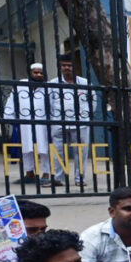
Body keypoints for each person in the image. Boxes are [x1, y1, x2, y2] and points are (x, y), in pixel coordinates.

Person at [3, 63, 52, 185]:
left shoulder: (48, 87)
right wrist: (9, 116)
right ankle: (29, 173)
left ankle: (46, 173)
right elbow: (12, 101)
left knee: (44, 148)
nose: (38, 75)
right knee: (26, 147)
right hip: (25, 122)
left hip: (43, 122)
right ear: (30, 73)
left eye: (41, 73)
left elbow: (53, 105)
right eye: (35, 72)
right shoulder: (21, 85)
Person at [49, 54, 92, 187]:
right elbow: (49, 103)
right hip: (59, 122)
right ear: (60, 67)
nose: (67, 68)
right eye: (64, 65)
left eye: (69, 65)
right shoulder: (52, 84)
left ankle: (80, 178)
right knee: (58, 151)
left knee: (80, 152)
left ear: (74, 67)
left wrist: (86, 116)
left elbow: (93, 102)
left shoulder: (84, 83)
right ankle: (58, 178)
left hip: (80, 123)